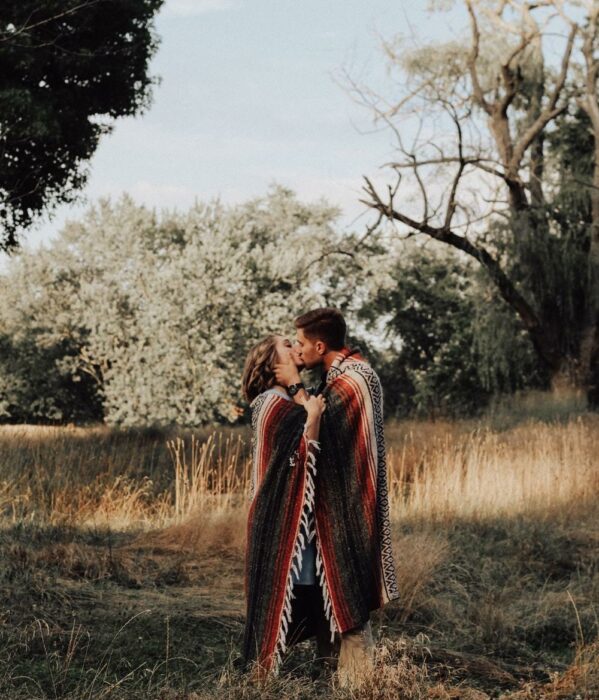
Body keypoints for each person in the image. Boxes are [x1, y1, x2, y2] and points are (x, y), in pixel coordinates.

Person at [274, 308, 400, 688]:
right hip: (342, 499)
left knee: (347, 586)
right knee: (331, 584)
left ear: (319, 344)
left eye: (299, 342)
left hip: (350, 502)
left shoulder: (353, 381)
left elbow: (316, 426)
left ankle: (360, 685)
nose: (296, 349)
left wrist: (295, 386)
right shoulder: (344, 375)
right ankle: (332, 674)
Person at [241, 334, 330, 679]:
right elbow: (305, 451)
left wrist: (299, 392)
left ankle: (325, 665)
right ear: (271, 363)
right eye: (287, 345)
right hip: (279, 517)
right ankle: (262, 676)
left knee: (304, 589)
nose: (296, 347)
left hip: (292, 516)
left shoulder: (285, 400)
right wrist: (313, 415)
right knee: (285, 588)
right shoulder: (271, 403)